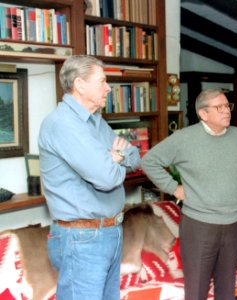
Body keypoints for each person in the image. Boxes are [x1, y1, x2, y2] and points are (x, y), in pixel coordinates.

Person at [141, 89, 237, 300]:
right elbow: (149, 161)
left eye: (227, 106)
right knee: (197, 291)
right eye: (219, 107)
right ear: (203, 114)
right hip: (199, 225)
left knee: (226, 290)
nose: (226, 111)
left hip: (234, 223)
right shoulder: (183, 138)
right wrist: (174, 188)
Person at [38, 55, 140, 300]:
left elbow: (135, 156)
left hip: (109, 231)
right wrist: (114, 158)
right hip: (82, 239)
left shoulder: (94, 121)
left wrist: (115, 157)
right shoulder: (63, 123)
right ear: (80, 85)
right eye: (103, 81)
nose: (108, 88)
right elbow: (106, 178)